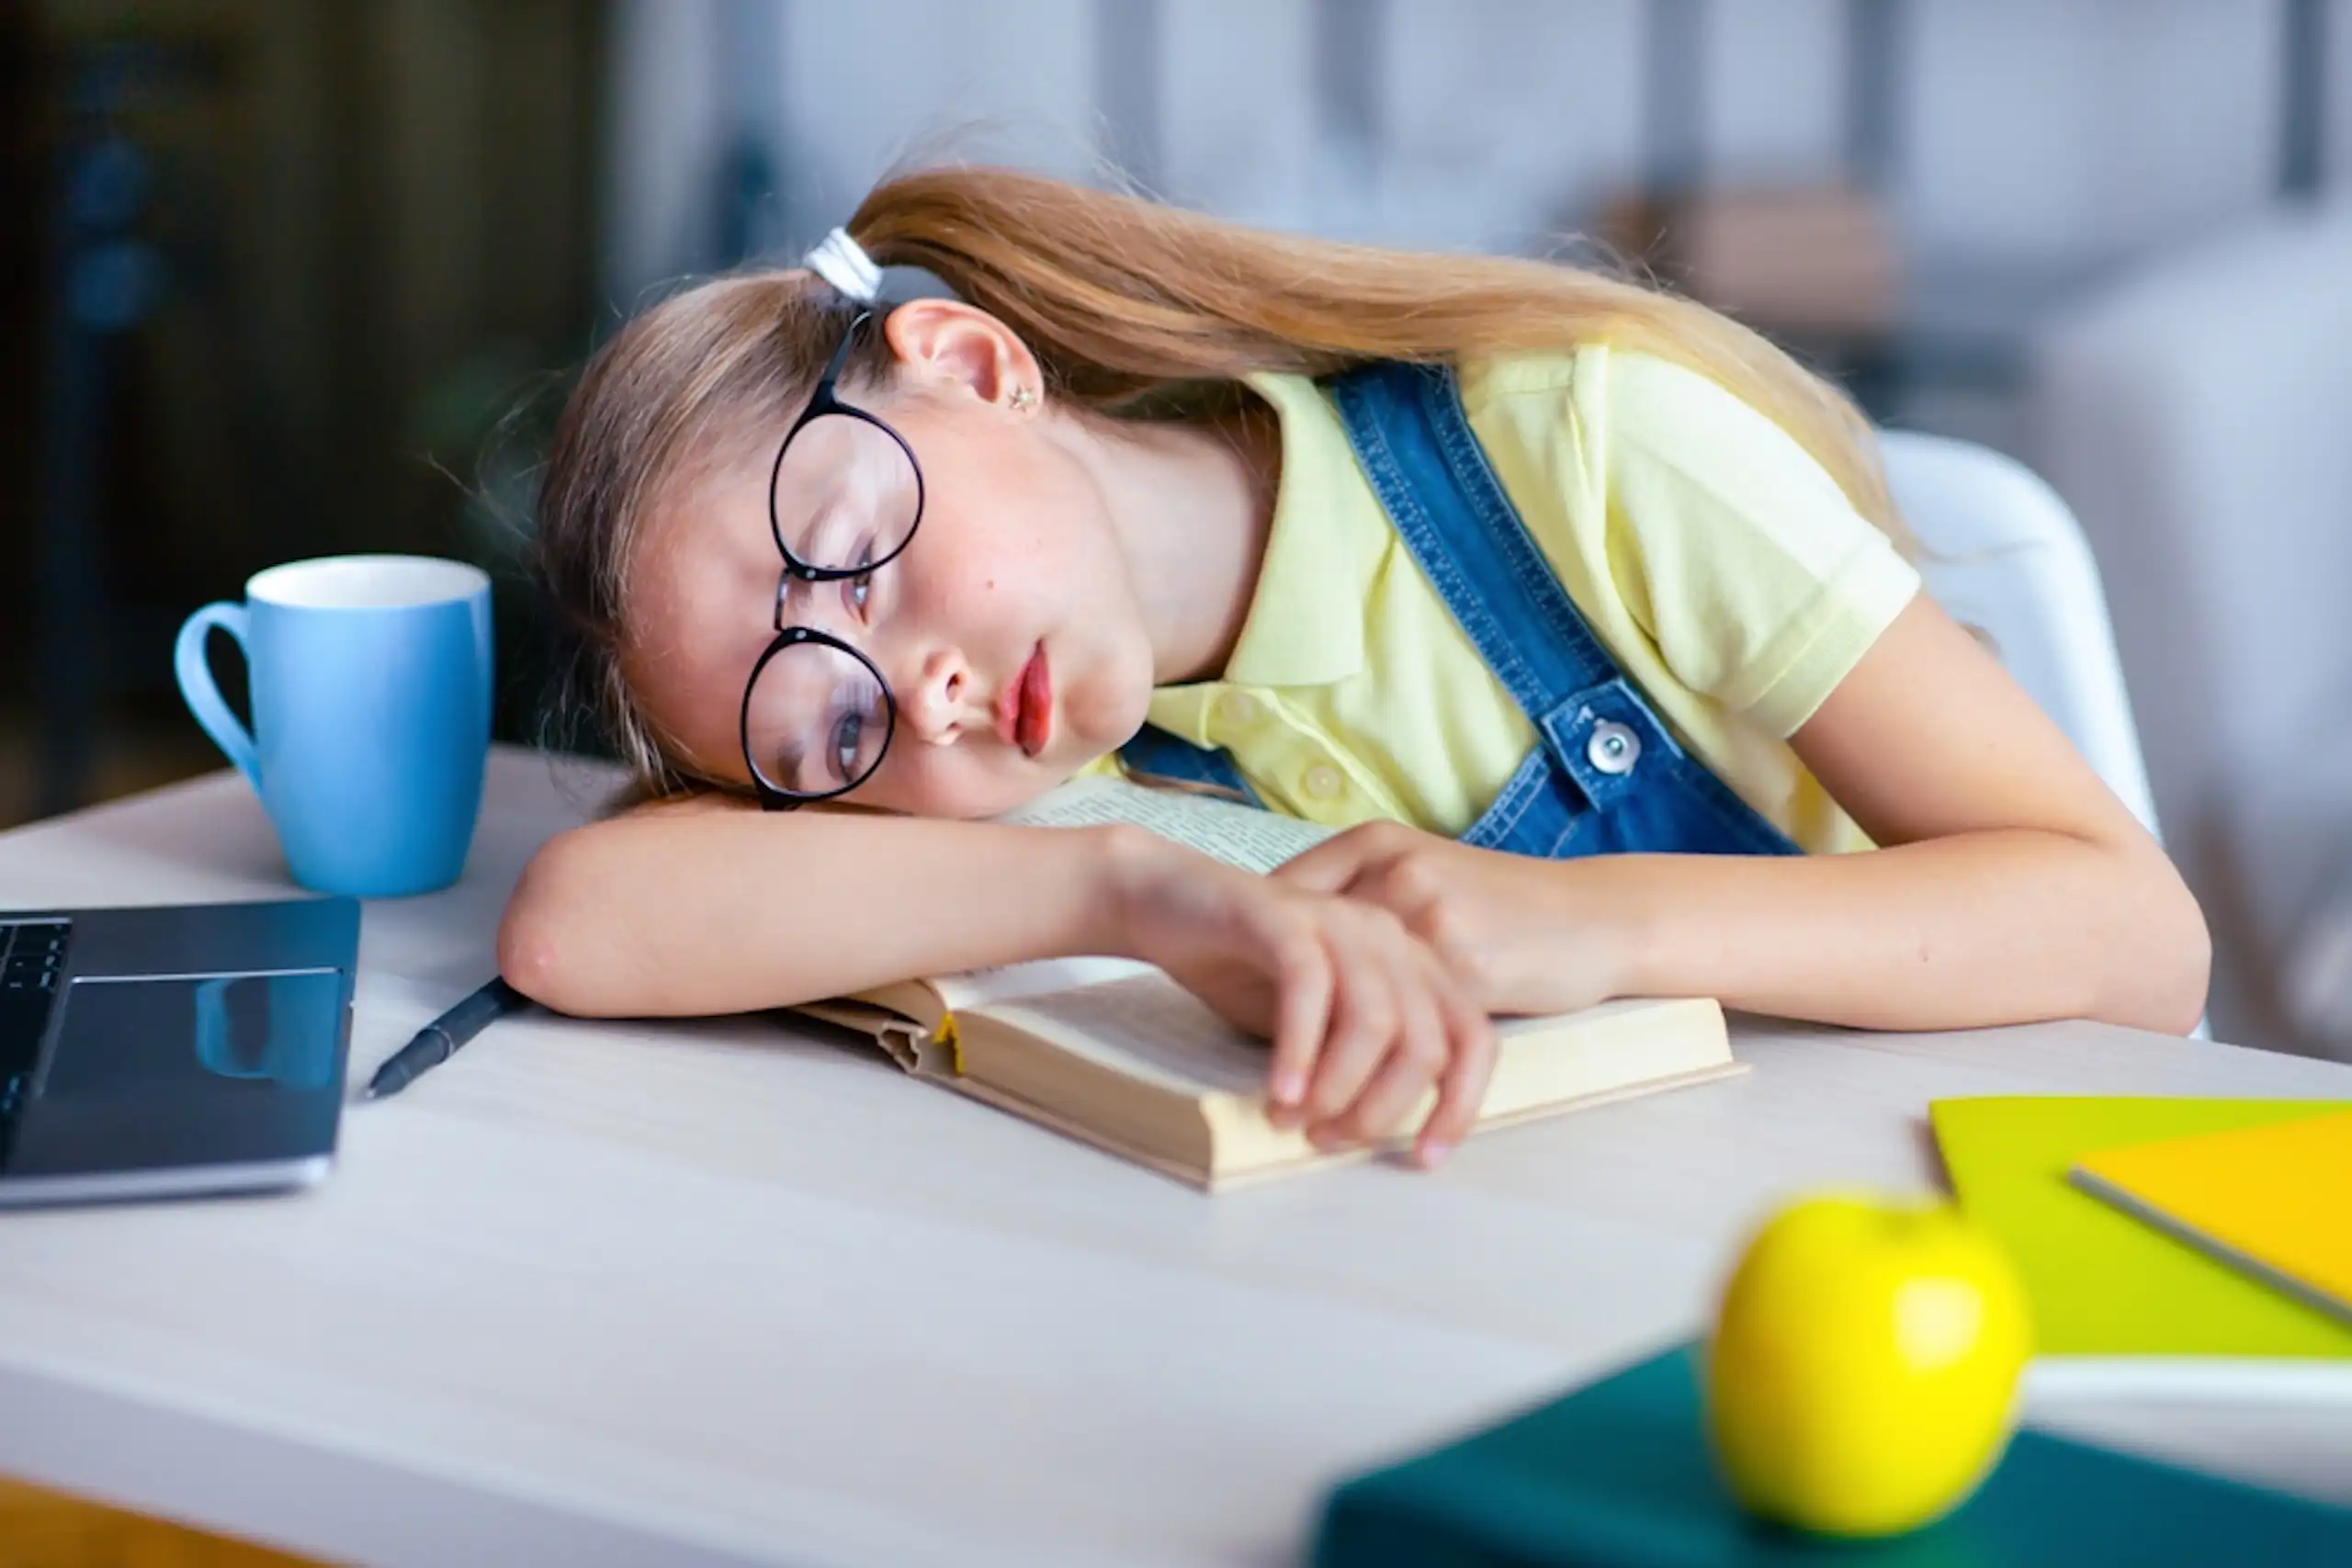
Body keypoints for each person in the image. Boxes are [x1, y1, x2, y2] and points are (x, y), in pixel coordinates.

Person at [499, 167, 2209, 1169]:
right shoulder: (1059, 782)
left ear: (970, 360)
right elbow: (577, 917)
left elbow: (2138, 939)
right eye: (834, 721)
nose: (924, 690)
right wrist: (1129, 893)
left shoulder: (1586, 449)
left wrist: (1590, 923)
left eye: (857, 553)